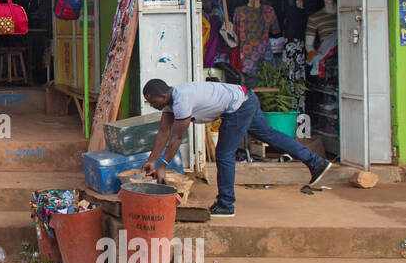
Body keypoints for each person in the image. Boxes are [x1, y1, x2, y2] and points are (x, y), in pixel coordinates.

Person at [140, 77, 331, 217]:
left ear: (163, 96)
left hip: (239, 106)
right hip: (246, 97)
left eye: (153, 102)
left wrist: (163, 166)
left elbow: (176, 138)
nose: (152, 105)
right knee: (269, 135)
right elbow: (163, 132)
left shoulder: (182, 101)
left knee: (224, 154)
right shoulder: (169, 102)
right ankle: (316, 162)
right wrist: (152, 161)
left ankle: (226, 204)